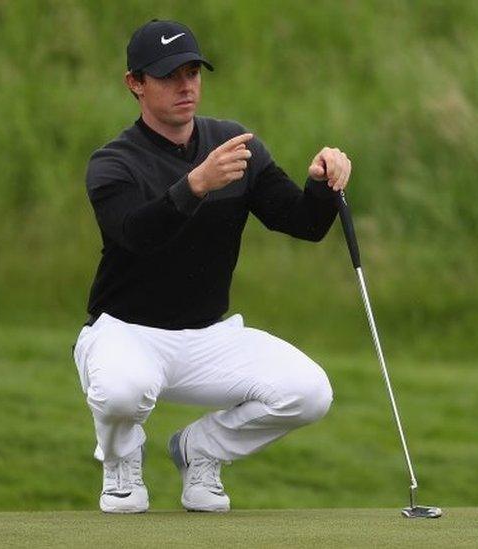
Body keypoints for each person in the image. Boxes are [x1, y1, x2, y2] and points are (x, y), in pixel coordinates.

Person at [72, 19, 351, 513]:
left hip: (208, 337)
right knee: (121, 393)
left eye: (193, 71)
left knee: (310, 393)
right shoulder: (113, 163)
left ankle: (199, 451)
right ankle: (120, 458)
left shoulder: (233, 145)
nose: (186, 85)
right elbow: (134, 234)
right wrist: (195, 185)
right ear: (134, 84)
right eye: (168, 75)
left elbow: (303, 224)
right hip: (125, 333)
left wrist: (322, 185)